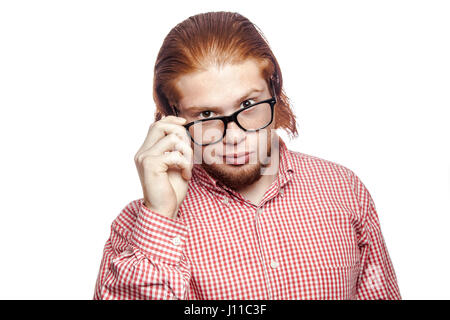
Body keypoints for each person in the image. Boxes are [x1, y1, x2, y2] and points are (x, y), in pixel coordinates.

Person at [93, 11, 401, 300]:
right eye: (207, 113)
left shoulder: (343, 189)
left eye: (247, 105)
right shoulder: (138, 227)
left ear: (274, 91)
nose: (235, 137)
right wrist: (160, 215)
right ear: (173, 118)